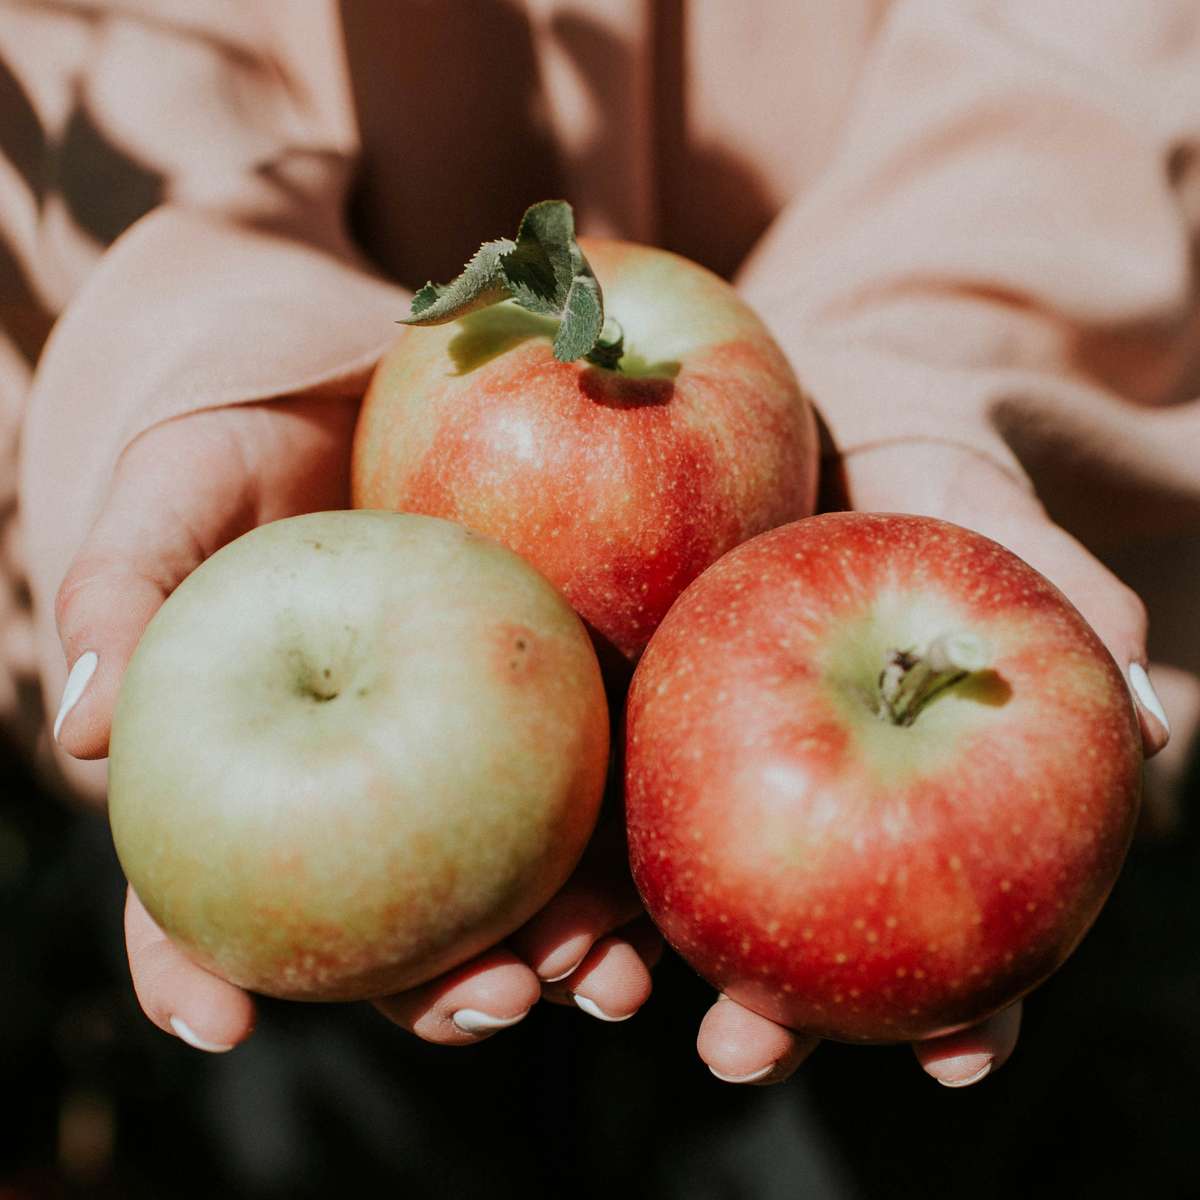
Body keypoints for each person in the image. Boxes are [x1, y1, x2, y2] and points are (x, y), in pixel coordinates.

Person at [3, 0, 1197, 1097]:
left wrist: (917, 371)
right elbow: (90, 50)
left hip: (880, 780)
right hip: (328, 838)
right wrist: (221, 334)